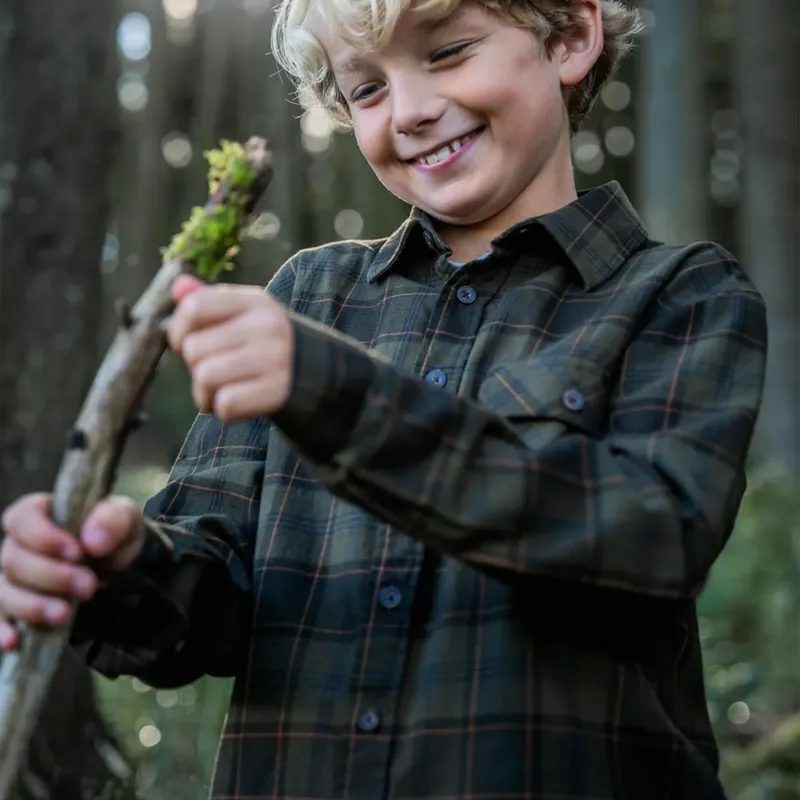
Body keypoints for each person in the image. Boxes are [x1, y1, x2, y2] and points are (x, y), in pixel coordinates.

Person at [0, 0, 767, 797]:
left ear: (570, 36)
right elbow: (202, 609)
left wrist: (337, 396)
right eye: (366, 89)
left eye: (448, 52)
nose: (408, 112)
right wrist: (114, 569)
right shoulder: (307, 296)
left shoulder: (680, 294)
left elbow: (648, 543)